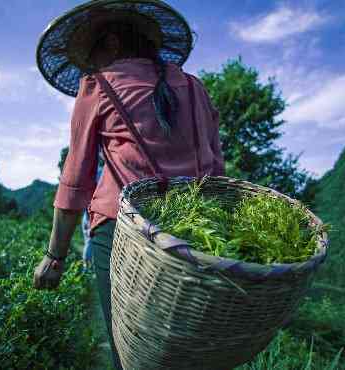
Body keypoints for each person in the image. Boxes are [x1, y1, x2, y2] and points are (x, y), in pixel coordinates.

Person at [33, 1, 224, 369]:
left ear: (115, 42)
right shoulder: (194, 86)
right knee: (185, 349)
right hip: (196, 230)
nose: (92, 63)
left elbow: (77, 175)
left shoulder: (98, 85)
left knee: (131, 347)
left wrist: (55, 256)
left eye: (95, 52)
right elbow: (215, 166)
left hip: (124, 232)